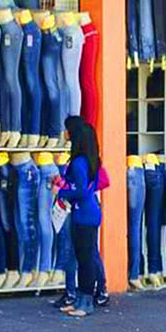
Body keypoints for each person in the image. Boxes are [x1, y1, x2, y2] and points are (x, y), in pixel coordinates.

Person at [55, 117, 108, 318]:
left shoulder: (78, 162)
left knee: (85, 259)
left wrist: (62, 193)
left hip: (84, 214)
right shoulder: (88, 160)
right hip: (88, 213)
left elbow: (81, 191)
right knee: (84, 256)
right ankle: (81, 299)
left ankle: (86, 301)